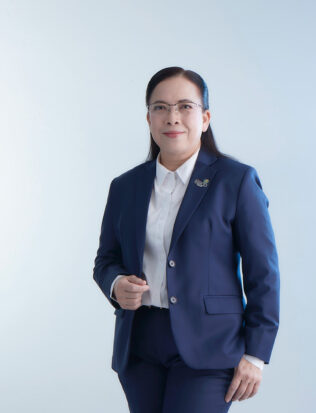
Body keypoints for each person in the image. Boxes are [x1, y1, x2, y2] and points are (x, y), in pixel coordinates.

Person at [93, 66, 280, 413]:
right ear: (148, 119)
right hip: (140, 343)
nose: (172, 117)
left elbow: (263, 272)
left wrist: (256, 354)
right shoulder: (125, 186)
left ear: (205, 118)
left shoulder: (236, 181)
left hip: (210, 344)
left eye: (185, 106)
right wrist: (116, 284)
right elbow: (106, 259)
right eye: (160, 107)